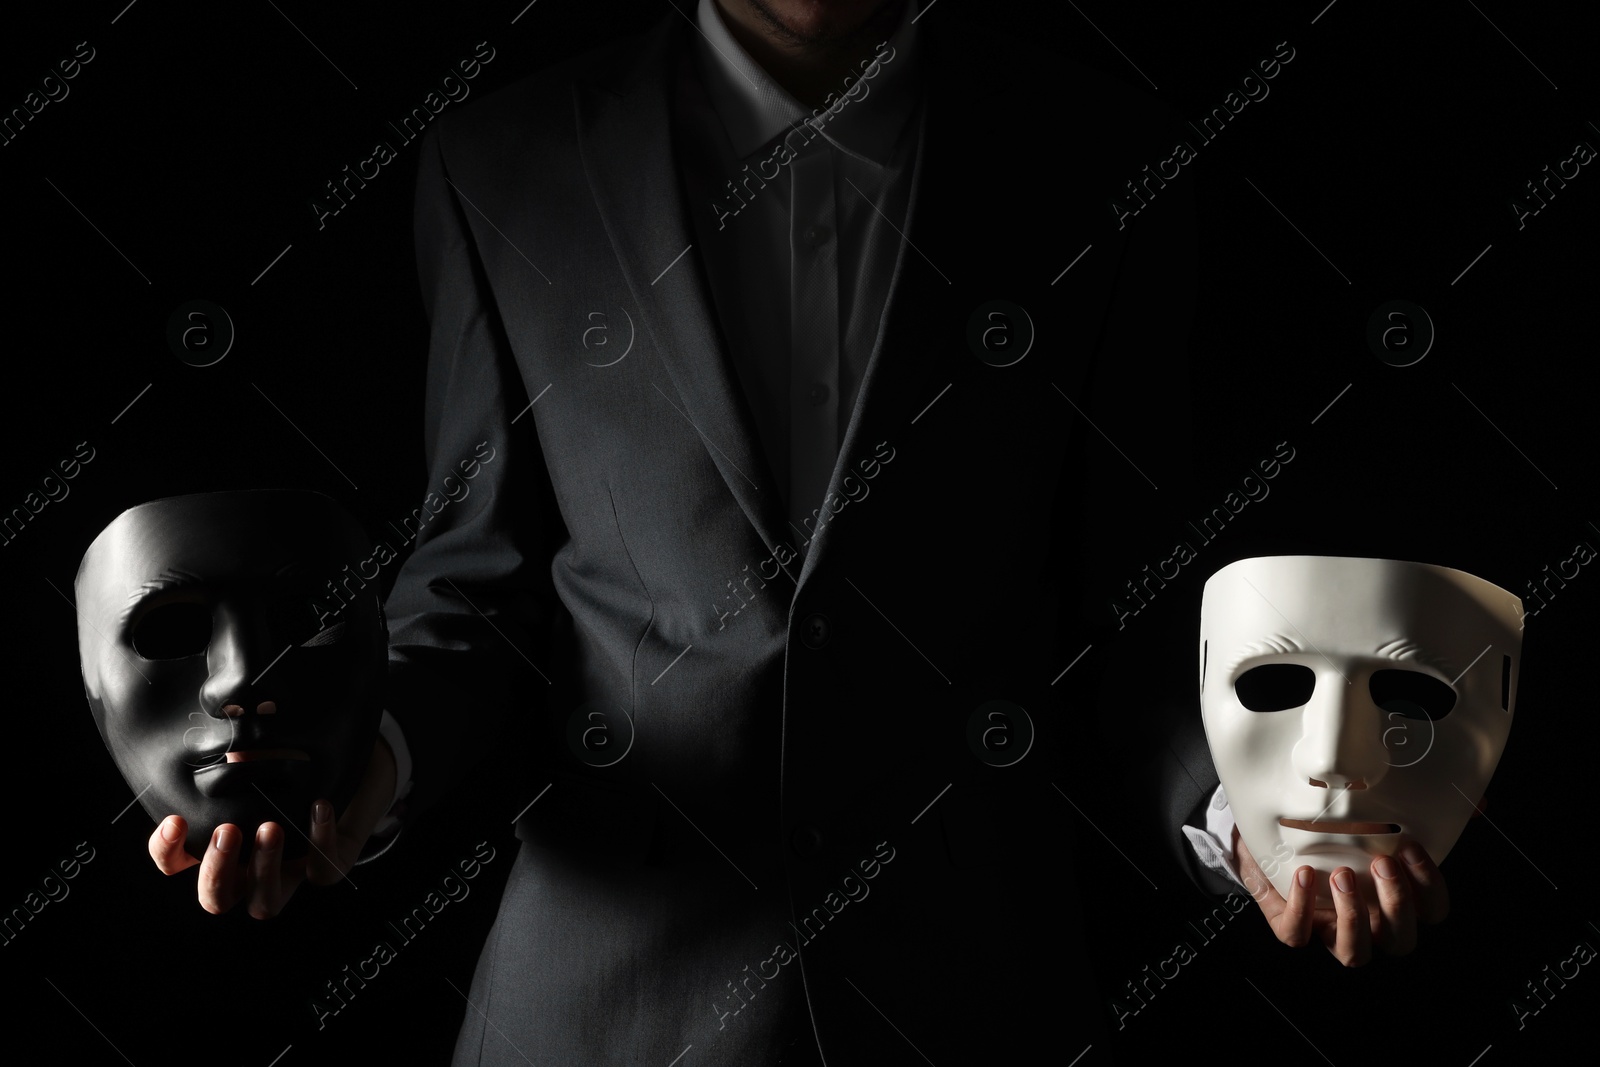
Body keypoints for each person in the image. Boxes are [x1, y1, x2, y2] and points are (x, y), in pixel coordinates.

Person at [145, 0, 1450, 1060]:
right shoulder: (501, 161)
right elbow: (474, 589)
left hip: (972, 1007)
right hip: (603, 1019)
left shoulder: (1107, 159)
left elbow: (1143, 598)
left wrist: (1257, 820)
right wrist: (350, 776)